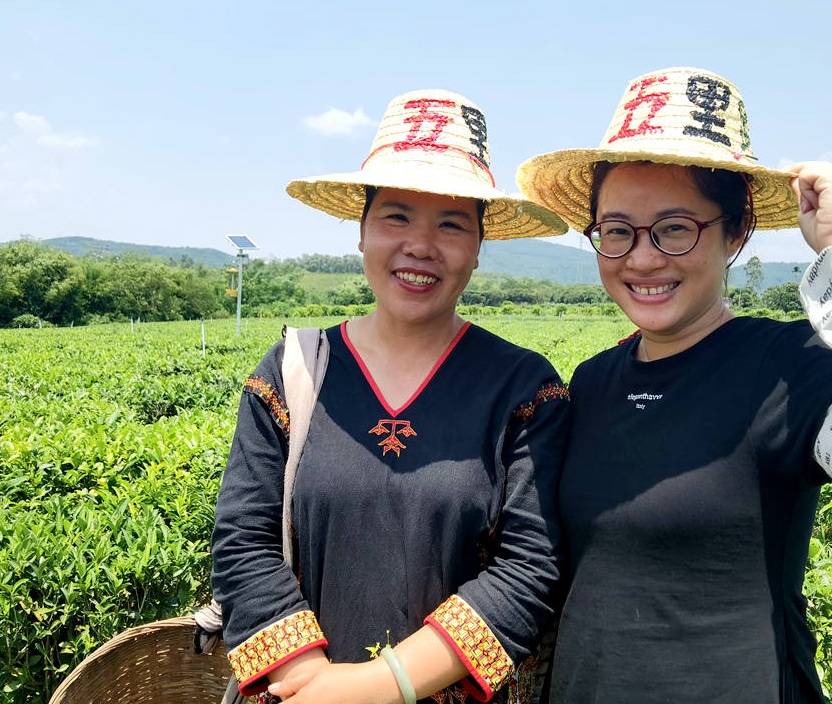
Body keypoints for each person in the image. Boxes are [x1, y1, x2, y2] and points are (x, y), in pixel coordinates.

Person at [516, 67, 832, 702]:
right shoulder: (591, 382)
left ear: (736, 232)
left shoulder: (786, 368)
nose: (642, 258)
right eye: (616, 232)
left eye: (675, 228)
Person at [211, 89, 571, 704]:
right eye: (396, 217)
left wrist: (382, 686)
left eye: (451, 224)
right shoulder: (293, 371)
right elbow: (244, 537)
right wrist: (310, 683)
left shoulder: (523, 388)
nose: (420, 245)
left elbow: (531, 566)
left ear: (479, 248)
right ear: (361, 233)